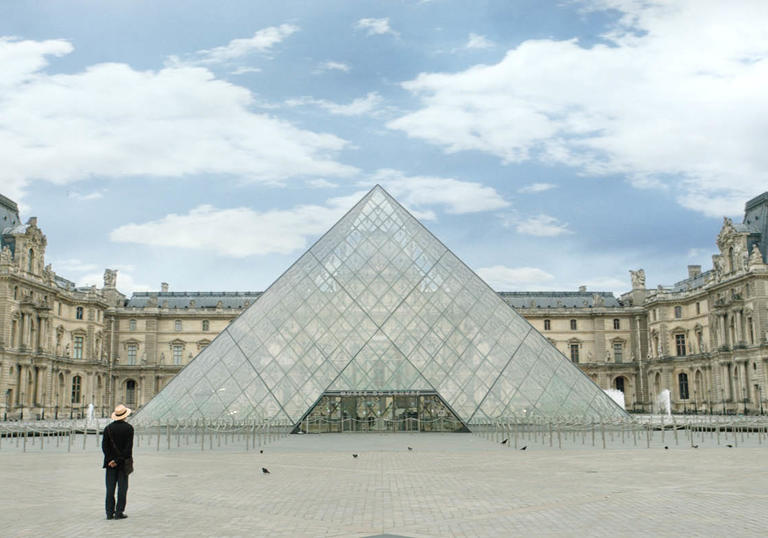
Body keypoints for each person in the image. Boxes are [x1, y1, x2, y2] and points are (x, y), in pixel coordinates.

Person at [102, 404, 134, 520]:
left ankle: (109, 513)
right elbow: (128, 449)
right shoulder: (129, 428)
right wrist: (117, 460)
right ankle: (119, 512)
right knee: (122, 488)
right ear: (125, 416)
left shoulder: (108, 428)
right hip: (122, 464)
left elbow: (104, 447)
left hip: (110, 464)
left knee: (110, 489)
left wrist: (111, 460)